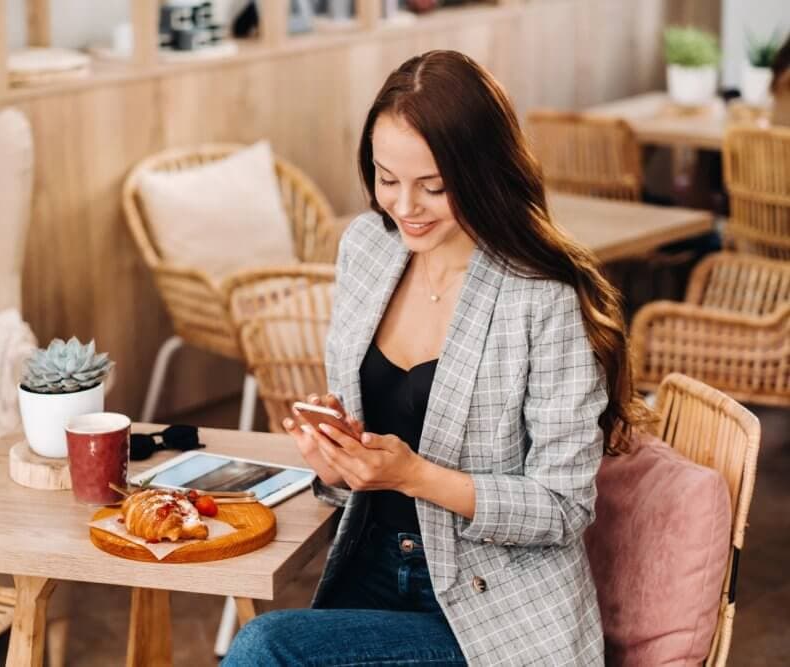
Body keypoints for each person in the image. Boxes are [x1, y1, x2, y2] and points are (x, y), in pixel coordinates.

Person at [222, 50, 649, 666]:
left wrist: (413, 475)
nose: (404, 206)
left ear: (480, 173)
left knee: (268, 649)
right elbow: (365, 461)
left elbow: (564, 506)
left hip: (499, 612)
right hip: (371, 567)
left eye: (434, 186)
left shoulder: (543, 296)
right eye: (385, 178)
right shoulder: (368, 248)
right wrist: (340, 462)